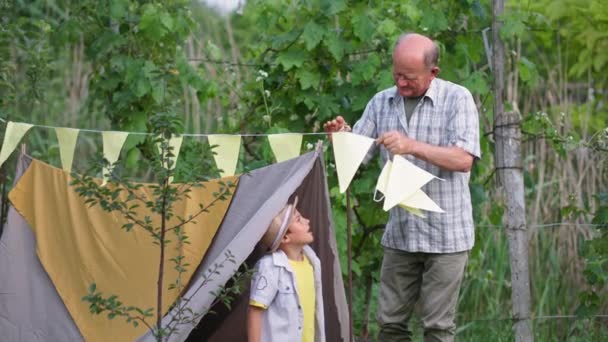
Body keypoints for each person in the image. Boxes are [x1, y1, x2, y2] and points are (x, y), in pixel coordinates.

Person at [324, 33, 480, 341]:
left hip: (446, 235)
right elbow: (359, 156)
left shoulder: (457, 98)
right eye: (396, 75)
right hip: (401, 232)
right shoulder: (382, 101)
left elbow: (463, 159)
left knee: (437, 328)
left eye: (409, 77)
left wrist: (410, 145)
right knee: (391, 325)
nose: (401, 83)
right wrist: (340, 140)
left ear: (433, 72)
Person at [247, 196, 325, 342]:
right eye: (298, 219)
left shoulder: (312, 261)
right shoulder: (270, 267)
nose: (307, 221)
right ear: (285, 238)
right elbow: (255, 312)